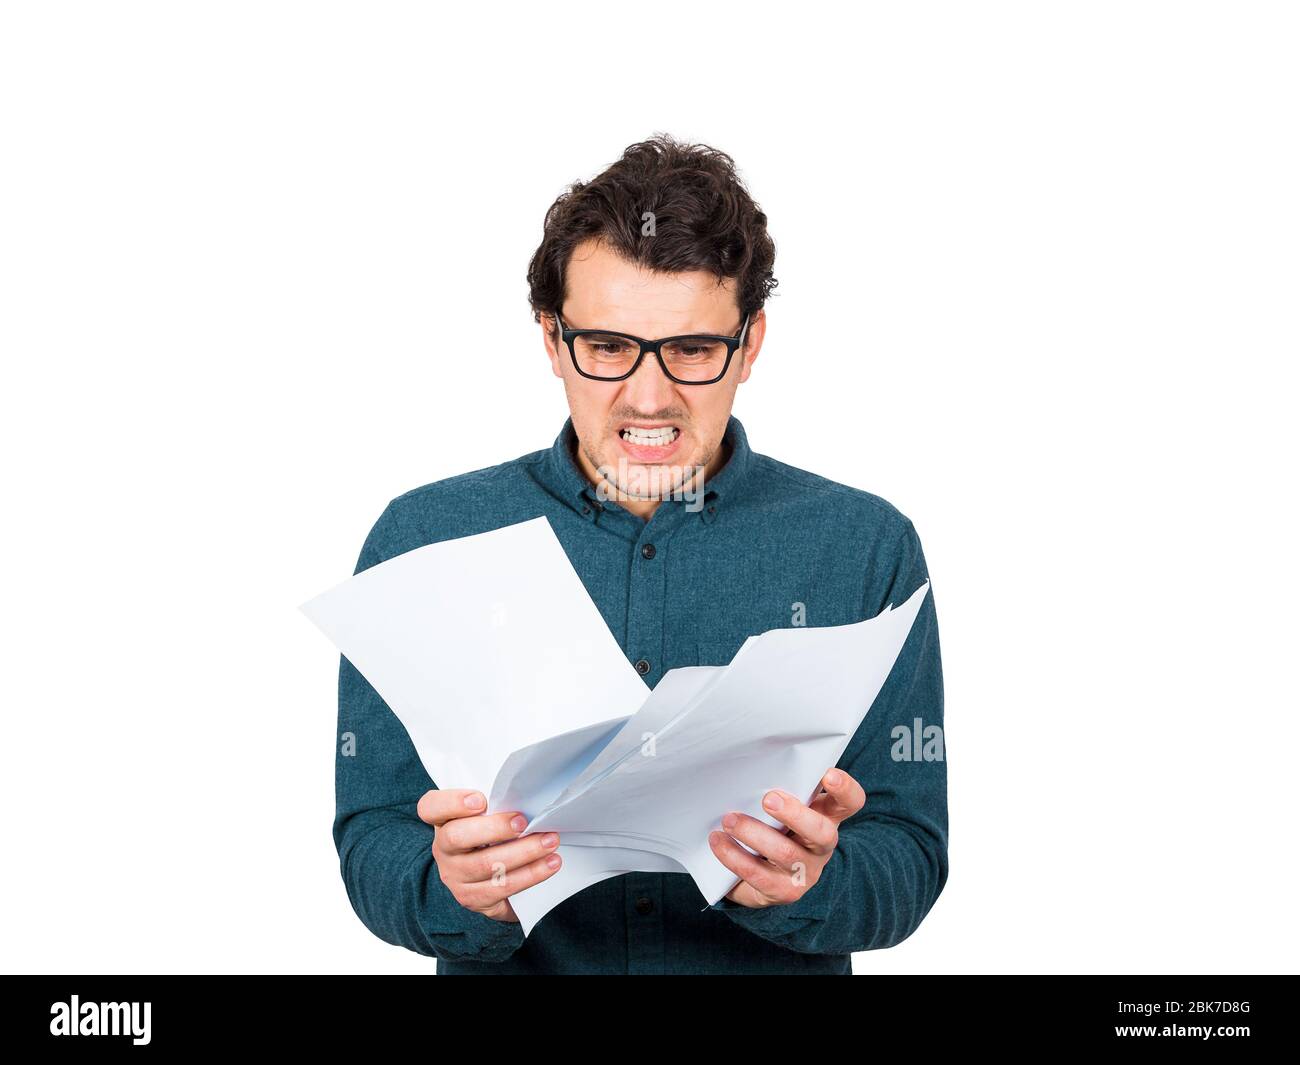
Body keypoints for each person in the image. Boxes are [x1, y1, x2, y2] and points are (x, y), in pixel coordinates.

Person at [333, 135, 947, 974]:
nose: (649, 396)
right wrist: (452, 890)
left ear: (750, 342)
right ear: (553, 341)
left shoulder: (864, 545)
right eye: (609, 346)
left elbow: (910, 849)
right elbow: (371, 834)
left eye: (693, 349)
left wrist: (818, 882)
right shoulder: (424, 537)